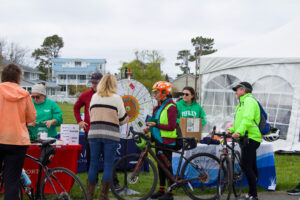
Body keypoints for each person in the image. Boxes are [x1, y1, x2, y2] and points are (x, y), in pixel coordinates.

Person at [87, 74, 128, 200]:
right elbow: (122, 119)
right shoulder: (117, 98)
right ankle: (103, 196)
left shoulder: (94, 97)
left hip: (94, 133)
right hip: (111, 134)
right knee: (108, 164)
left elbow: (90, 114)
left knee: (93, 163)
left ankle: (89, 196)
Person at [0, 64, 37, 200]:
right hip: (17, 141)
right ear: (19, 78)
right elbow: (31, 117)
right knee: (12, 181)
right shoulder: (24, 94)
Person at [143, 81, 178, 200]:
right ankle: (161, 190)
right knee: (161, 166)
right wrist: (149, 128)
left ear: (164, 93)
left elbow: (171, 126)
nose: (155, 94)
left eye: (157, 92)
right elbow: (155, 123)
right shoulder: (157, 107)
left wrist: (156, 125)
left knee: (167, 167)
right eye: (154, 92)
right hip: (158, 140)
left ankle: (170, 193)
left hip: (167, 141)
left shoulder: (171, 107)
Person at [227, 82, 262, 200]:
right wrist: (231, 129)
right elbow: (239, 122)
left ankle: (253, 195)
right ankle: (252, 193)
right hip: (247, 137)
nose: (235, 92)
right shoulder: (242, 103)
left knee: (247, 166)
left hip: (251, 138)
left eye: (237, 90)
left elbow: (248, 119)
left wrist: (239, 132)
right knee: (250, 166)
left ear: (243, 90)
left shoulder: (249, 101)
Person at [73, 72, 103, 170]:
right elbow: (76, 107)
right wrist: (79, 121)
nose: (94, 85)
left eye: (97, 82)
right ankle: (92, 182)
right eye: (93, 82)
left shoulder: (107, 95)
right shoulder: (85, 95)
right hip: (89, 131)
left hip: (104, 130)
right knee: (91, 156)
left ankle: (112, 182)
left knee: (107, 157)